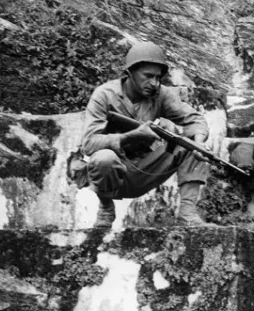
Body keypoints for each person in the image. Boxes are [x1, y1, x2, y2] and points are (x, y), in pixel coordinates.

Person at [79, 41, 219, 228]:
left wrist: (200, 142)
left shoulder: (161, 94)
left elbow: (194, 119)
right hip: (116, 176)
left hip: (148, 169)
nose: (154, 82)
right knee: (103, 159)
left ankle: (187, 214)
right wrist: (131, 136)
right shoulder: (103, 95)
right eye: (148, 76)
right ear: (130, 72)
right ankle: (105, 209)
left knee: (193, 146)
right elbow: (88, 144)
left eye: (158, 77)